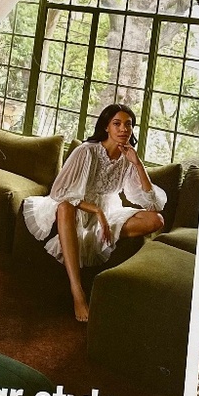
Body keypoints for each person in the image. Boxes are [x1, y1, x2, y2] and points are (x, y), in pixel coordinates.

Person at [23, 104, 166, 322]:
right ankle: (77, 291)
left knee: (156, 220)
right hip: (76, 207)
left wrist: (137, 164)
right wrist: (97, 211)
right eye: (117, 123)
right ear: (106, 127)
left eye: (128, 124)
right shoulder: (86, 151)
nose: (123, 129)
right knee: (64, 207)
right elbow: (59, 192)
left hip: (109, 210)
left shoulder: (128, 159)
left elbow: (153, 205)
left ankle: (102, 237)